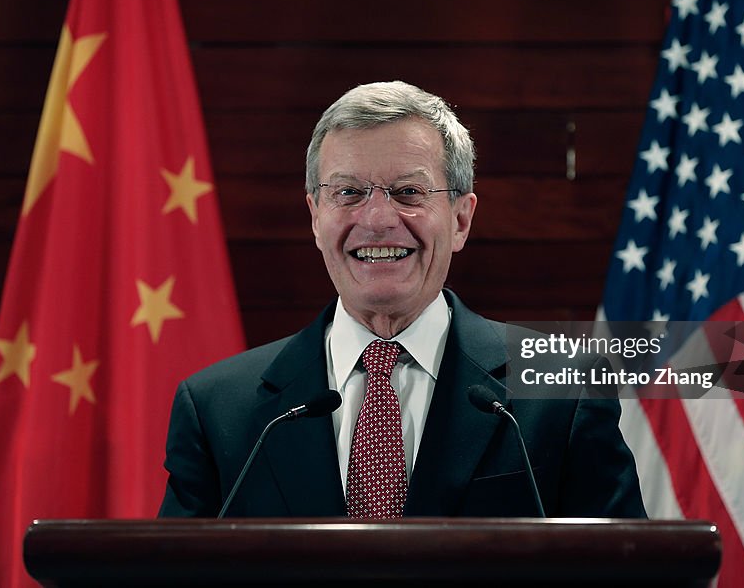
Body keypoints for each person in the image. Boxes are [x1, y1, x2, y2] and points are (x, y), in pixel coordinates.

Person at [158, 81, 646, 519]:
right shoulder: (219, 409)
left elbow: (633, 573)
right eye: (348, 192)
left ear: (460, 219)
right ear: (314, 216)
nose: (377, 219)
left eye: (408, 192)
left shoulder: (566, 392)